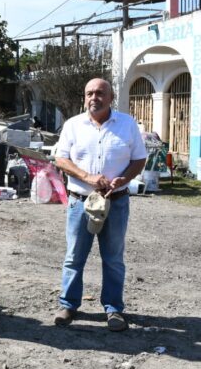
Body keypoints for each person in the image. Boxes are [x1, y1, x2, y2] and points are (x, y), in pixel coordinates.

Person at [53, 78, 147, 332]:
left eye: (100, 93)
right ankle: (68, 305)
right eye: (90, 93)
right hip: (80, 202)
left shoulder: (127, 124)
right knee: (74, 257)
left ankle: (114, 309)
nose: (94, 97)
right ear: (85, 97)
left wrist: (124, 179)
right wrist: (88, 177)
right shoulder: (73, 125)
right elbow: (61, 159)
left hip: (116, 202)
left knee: (113, 258)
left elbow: (139, 159)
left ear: (111, 97)